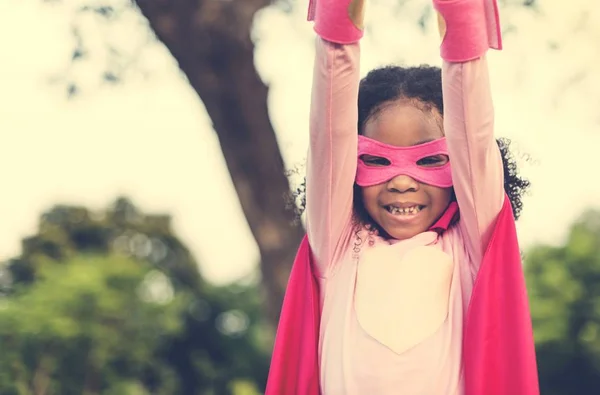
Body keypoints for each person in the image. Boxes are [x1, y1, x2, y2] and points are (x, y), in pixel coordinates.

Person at [266, 0, 540, 394]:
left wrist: (461, 16)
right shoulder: (339, 245)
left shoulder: (468, 252)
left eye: (429, 159)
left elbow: (473, 137)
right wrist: (337, 26)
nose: (401, 182)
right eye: (377, 160)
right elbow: (328, 131)